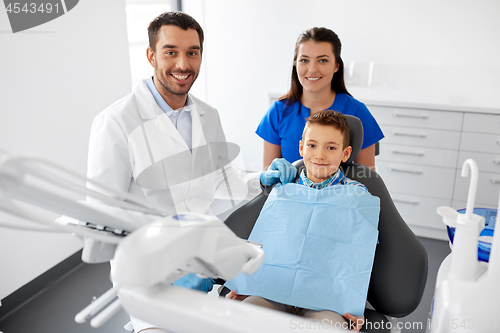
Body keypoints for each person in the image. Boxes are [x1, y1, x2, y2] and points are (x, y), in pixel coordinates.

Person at [86, 11, 296, 333]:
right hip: (148, 273)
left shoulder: (207, 115)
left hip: (201, 262)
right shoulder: (116, 122)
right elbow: (103, 217)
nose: (183, 64)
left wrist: (260, 179)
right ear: (151, 55)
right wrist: (158, 262)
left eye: (192, 52)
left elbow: (222, 179)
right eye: (171, 52)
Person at [228, 111, 377, 332]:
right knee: (240, 319)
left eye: (331, 147)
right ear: (301, 148)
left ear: (345, 153)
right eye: (312, 145)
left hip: (327, 301)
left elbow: (359, 251)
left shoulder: (356, 195)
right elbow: (267, 240)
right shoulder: (283, 189)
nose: (320, 155)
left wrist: (353, 303)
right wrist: (246, 284)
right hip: (273, 291)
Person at [256, 27, 384, 170]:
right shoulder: (278, 112)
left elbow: (368, 179)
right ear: (295, 64)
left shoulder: (357, 112)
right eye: (304, 60)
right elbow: (269, 180)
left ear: (336, 66)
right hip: (289, 193)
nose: (312, 69)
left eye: (322, 60)